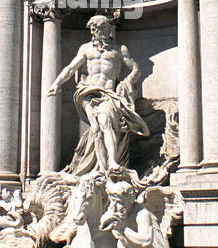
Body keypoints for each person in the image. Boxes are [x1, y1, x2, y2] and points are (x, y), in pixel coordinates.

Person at [48, 15, 150, 174]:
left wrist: (126, 82)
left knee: (105, 122)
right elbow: (70, 68)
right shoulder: (86, 48)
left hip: (108, 93)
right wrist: (57, 83)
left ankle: (112, 161)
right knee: (95, 130)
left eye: (101, 29)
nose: (97, 32)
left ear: (108, 29)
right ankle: (102, 170)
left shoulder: (118, 49)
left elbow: (136, 69)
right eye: (94, 29)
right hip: (88, 92)